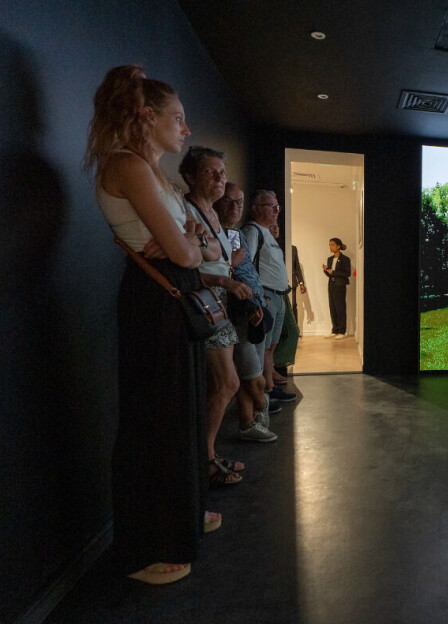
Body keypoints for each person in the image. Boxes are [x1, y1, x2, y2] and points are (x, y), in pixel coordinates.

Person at [85, 65, 217, 585]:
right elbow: (187, 251)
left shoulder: (153, 173)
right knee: (155, 420)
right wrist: (188, 245)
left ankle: (183, 518)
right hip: (155, 300)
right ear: (146, 116)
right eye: (178, 118)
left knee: (180, 413)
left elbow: (203, 246)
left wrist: (189, 244)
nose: (186, 128)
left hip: (171, 294)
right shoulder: (127, 166)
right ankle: (146, 549)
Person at [179, 147, 254, 483]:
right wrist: (223, 279)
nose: (220, 178)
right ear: (191, 177)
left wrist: (227, 270)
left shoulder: (210, 215)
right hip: (203, 302)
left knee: (221, 384)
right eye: (210, 172)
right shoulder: (187, 211)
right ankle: (205, 460)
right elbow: (184, 265)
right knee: (228, 382)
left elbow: (211, 256)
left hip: (216, 301)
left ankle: (207, 454)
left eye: (222, 172)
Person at [213, 182, 277, 441]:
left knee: (249, 374)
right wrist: (251, 303)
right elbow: (221, 271)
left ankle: (247, 423)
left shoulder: (236, 234)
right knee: (253, 378)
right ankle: (262, 406)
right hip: (234, 313)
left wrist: (259, 299)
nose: (234, 207)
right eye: (229, 201)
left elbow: (247, 272)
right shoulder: (214, 232)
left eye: (239, 202)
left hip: (253, 309)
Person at [242, 191, 297, 403]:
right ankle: (261, 395)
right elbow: (245, 266)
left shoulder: (267, 233)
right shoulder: (252, 231)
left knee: (270, 347)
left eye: (277, 206)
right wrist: (257, 296)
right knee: (262, 347)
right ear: (255, 208)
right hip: (266, 296)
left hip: (278, 296)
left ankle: (269, 387)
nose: (276, 210)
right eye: (270, 206)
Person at [323, 237, 351, 339]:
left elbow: (347, 273)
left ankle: (342, 331)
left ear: (338, 246)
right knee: (332, 307)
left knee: (340, 307)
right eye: (329, 245)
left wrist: (333, 272)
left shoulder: (345, 259)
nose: (330, 247)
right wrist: (326, 270)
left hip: (340, 286)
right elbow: (330, 275)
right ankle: (335, 330)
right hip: (331, 285)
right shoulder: (330, 259)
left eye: (332, 245)